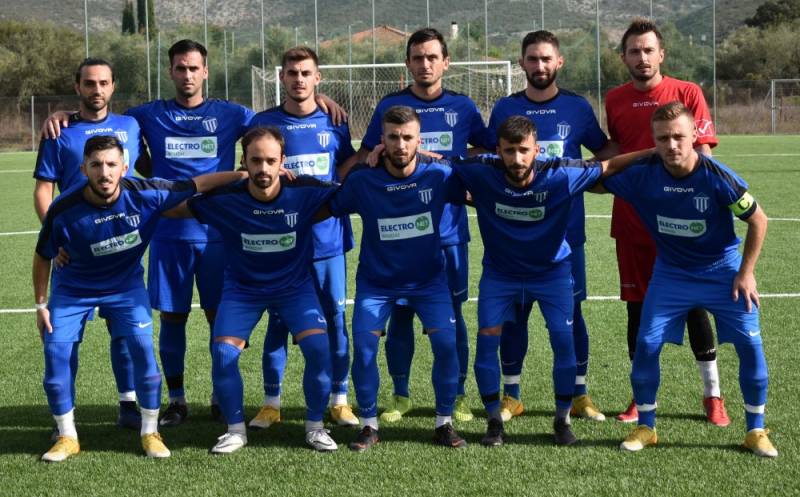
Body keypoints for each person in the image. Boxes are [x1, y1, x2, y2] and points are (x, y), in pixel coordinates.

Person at [41, 40, 347, 427]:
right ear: (170, 71)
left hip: (219, 232)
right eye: (180, 68)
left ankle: (220, 398)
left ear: (205, 72)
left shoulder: (233, 114)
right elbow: (102, 117)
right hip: (169, 233)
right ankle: (177, 400)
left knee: (220, 318)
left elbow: (278, 124)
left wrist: (321, 102)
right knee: (173, 318)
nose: (187, 75)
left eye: (193, 68)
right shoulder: (145, 116)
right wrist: (65, 114)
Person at [34, 135, 243, 462]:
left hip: (125, 286)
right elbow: (42, 255)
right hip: (74, 288)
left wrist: (244, 175)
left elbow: (199, 183)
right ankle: (66, 435)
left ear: (125, 168)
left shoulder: (147, 192)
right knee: (56, 353)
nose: (104, 172)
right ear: (84, 169)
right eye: (96, 165)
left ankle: (150, 432)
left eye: (111, 164)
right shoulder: (63, 208)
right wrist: (40, 305)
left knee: (143, 350)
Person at [450, 116, 649, 447]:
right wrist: (384, 151)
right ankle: (494, 422)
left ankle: (562, 420)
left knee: (562, 340)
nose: (517, 158)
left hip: (552, 274)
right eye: (509, 151)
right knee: (487, 341)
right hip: (500, 275)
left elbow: (608, 165)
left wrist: (653, 151)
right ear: (497, 150)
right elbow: (437, 162)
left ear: (537, 150)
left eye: (524, 150)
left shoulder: (559, 174)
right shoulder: (480, 170)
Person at [600, 101, 775, 457]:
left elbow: (759, 219)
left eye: (679, 137)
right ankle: (646, 427)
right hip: (672, 273)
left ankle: (755, 430)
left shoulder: (717, 176)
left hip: (723, 272)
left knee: (750, 345)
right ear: (653, 140)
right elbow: (596, 177)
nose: (672, 145)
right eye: (662, 138)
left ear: (695, 135)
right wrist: (641, 155)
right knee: (647, 343)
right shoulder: (643, 173)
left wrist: (746, 273)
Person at [164, 127, 340, 453]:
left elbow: (357, 193)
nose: (263, 168)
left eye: (271, 161)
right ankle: (235, 430)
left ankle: (315, 427)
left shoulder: (304, 191)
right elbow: (170, 206)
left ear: (283, 162)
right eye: (255, 160)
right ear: (244, 161)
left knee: (319, 349)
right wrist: (228, 177)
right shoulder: (226, 198)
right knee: (223, 353)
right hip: (243, 290)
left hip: (294, 288)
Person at [356, 28, 488, 423]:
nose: (425, 64)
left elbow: (485, 148)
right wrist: (376, 152)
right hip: (400, 233)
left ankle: (458, 394)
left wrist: (453, 164)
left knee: (452, 317)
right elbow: (367, 153)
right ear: (408, 63)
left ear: (446, 62)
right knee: (399, 315)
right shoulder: (390, 105)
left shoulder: (463, 106)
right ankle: (401, 394)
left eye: (432, 57)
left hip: (448, 233)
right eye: (418, 58)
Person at [486, 30, 617, 423]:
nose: (539, 66)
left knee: (572, 315)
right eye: (532, 59)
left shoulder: (576, 107)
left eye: (546, 59)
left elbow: (604, 153)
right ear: (521, 63)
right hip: (513, 238)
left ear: (559, 62)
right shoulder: (505, 108)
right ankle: (512, 395)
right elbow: (489, 157)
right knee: (514, 316)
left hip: (566, 237)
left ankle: (579, 394)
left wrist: (590, 183)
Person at [605, 18, 728, 425]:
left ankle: (713, 395)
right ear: (624, 57)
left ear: (661, 54)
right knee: (637, 310)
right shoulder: (614, 99)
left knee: (694, 307)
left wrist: (702, 209)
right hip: (632, 222)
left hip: (681, 225)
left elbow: (705, 155)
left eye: (648, 50)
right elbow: (618, 152)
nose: (642, 57)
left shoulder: (687, 92)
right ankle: (641, 395)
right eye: (634, 51)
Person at [326, 105, 466, 451]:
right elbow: (327, 204)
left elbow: (483, 183)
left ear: (419, 141)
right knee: (365, 350)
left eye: (407, 138)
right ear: (381, 140)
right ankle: (369, 425)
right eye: (393, 137)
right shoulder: (364, 179)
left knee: (447, 345)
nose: (400, 145)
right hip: (377, 284)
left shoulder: (440, 174)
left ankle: (443, 422)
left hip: (429, 282)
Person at [246, 47, 359, 429]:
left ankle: (339, 399)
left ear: (317, 78)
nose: (299, 79)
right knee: (278, 320)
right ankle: (271, 402)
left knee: (335, 318)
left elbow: (347, 162)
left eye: (306, 73)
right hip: (281, 242)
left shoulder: (334, 122)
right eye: (292, 73)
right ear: (281, 77)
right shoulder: (263, 122)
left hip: (327, 241)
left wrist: (334, 188)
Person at [33, 57, 147, 430]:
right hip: (74, 256)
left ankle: (128, 404)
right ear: (77, 86)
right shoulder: (59, 132)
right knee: (64, 341)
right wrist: (57, 237)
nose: (96, 90)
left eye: (103, 83)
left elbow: (147, 174)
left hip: (120, 250)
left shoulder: (131, 125)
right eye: (89, 83)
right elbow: (43, 190)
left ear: (113, 86)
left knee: (125, 334)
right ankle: (65, 417)